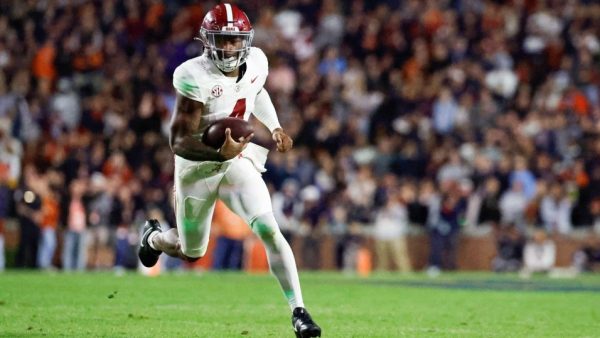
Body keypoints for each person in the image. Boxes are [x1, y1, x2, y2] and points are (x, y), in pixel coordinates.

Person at [137, 4, 321, 337]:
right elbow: (178, 141)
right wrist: (216, 150)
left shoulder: (258, 62)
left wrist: (275, 126)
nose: (230, 47)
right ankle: (154, 237)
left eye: (235, 40)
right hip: (196, 168)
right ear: (208, 41)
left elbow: (257, 90)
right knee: (192, 250)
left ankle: (299, 311)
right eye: (223, 39)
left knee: (269, 229)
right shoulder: (193, 75)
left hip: (236, 161)